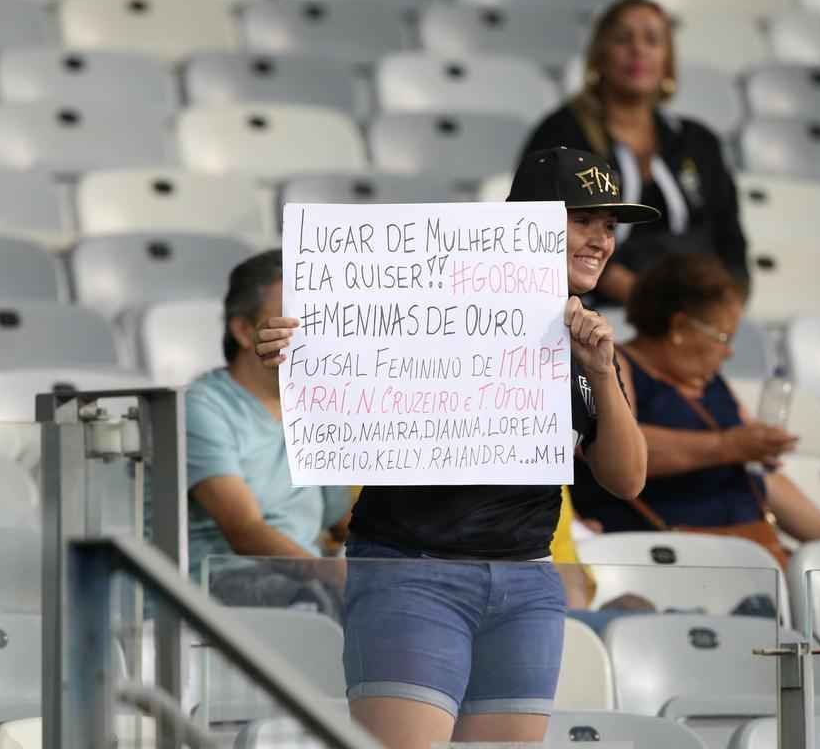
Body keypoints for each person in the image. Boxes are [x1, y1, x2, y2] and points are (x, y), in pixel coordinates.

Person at [255, 147, 649, 749]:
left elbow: (628, 480)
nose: (601, 240)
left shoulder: (583, 338)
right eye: (582, 221)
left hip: (527, 580)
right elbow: (335, 360)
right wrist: (300, 348)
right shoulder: (422, 302)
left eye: (609, 225)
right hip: (411, 571)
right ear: (524, 224)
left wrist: (601, 371)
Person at [571, 253, 820, 552]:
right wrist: (727, 445)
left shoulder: (712, 382)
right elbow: (620, 448)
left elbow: (759, 476)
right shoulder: (613, 366)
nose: (729, 352)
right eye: (723, 338)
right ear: (680, 328)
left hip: (751, 545)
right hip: (669, 553)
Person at [520, 0, 748, 303]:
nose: (638, 49)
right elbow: (542, 233)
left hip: (693, 305)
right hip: (588, 308)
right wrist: (638, 295)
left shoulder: (698, 141)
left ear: (667, 62)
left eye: (652, 40)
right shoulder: (561, 134)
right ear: (599, 55)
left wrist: (727, 301)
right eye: (623, 39)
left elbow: (729, 237)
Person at [185, 250, 352, 601]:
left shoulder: (315, 406)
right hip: (219, 590)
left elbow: (342, 521)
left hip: (304, 587)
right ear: (245, 331)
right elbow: (245, 531)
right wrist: (334, 577)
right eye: (294, 317)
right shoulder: (202, 406)